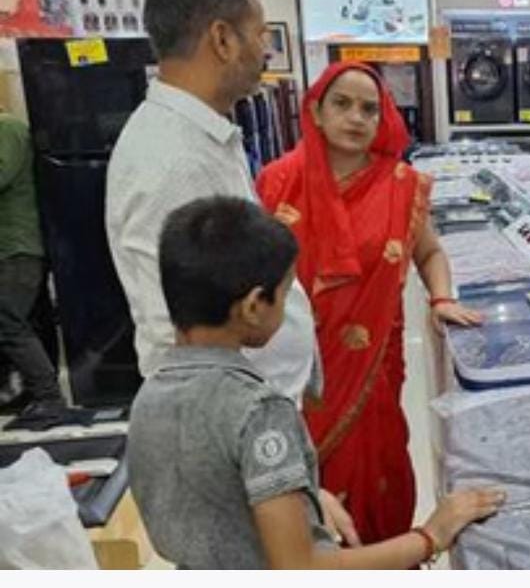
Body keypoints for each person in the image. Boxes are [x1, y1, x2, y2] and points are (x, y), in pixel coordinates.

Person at [105, 0, 357, 542]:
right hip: (232, 438)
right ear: (222, 38)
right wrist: (277, 474)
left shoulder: (202, 135)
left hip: (251, 422)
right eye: (260, 30)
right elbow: (188, 334)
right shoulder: (170, 161)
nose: (267, 46)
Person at [127, 196, 504, 569]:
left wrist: (300, 496)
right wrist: (430, 536)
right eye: (288, 291)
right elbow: (300, 568)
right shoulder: (258, 412)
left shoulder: (149, 396)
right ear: (254, 306)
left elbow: (212, 494)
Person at [256, 61, 484, 545]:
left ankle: (387, 556)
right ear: (316, 110)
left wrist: (442, 297)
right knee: (302, 491)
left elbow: (430, 251)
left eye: (369, 109)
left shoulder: (401, 184)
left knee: (379, 472)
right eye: (342, 104)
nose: (356, 118)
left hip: (374, 363)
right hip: (294, 365)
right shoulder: (277, 182)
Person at [0, 109, 64, 414]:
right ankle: (23, 392)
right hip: (10, 248)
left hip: (18, 247)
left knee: (9, 321)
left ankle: (49, 397)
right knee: (20, 321)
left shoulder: (7, 128)